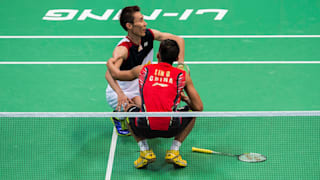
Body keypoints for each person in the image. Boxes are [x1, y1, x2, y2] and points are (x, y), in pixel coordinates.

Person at [108, 39, 203, 168]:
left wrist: (110, 64)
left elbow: (116, 74)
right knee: (192, 111)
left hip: (144, 127)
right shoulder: (182, 75)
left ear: (158, 55)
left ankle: (144, 151)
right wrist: (185, 99)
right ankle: (174, 150)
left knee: (127, 107)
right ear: (176, 58)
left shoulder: (143, 70)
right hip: (171, 128)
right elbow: (199, 107)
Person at [105, 5, 185, 136]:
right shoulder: (123, 49)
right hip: (121, 90)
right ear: (129, 26)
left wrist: (181, 65)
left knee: (150, 113)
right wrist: (120, 94)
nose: (145, 23)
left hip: (140, 86)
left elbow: (179, 40)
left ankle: (125, 113)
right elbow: (109, 74)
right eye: (141, 20)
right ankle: (118, 117)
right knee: (136, 114)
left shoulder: (149, 35)